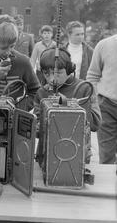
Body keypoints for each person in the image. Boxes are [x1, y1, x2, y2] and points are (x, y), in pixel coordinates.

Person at [34, 48, 101, 163]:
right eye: (46, 73)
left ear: (70, 69)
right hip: (47, 155)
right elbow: (37, 131)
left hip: (77, 155)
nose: (52, 79)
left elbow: (95, 123)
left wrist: (68, 104)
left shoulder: (85, 88)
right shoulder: (42, 92)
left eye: (58, 73)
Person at [87, 35, 117, 164]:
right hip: (107, 107)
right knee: (106, 157)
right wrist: (95, 102)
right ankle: (109, 184)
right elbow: (92, 76)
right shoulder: (104, 45)